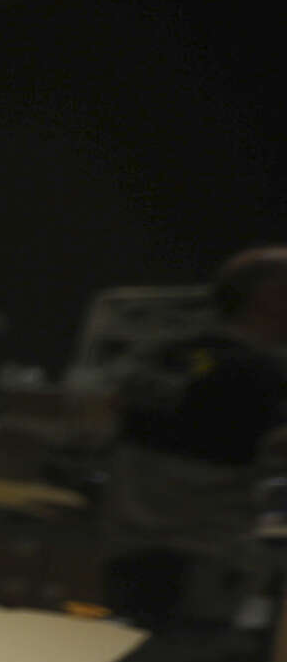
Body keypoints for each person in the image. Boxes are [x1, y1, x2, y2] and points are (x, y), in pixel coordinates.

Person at [104, 246, 287, 627]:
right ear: (270, 297)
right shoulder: (255, 373)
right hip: (201, 558)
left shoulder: (166, 354)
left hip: (127, 546)